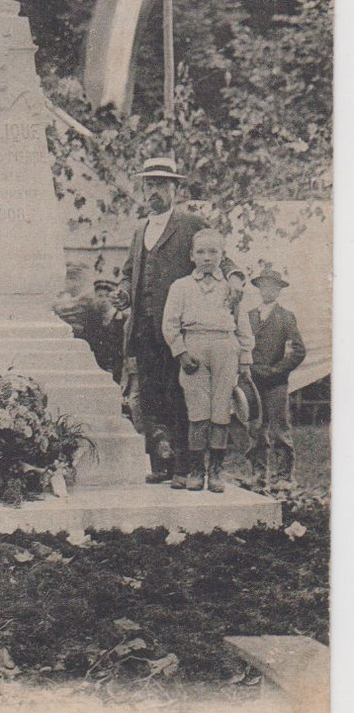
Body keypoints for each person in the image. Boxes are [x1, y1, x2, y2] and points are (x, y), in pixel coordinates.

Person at [117, 157, 243, 484]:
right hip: (144, 330)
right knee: (150, 397)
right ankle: (160, 465)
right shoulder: (140, 230)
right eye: (149, 185)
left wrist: (234, 278)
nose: (154, 192)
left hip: (180, 332)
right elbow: (130, 273)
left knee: (183, 398)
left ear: (175, 188)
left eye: (161, 185)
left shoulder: (189, 223)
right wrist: (122, 292)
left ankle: (185, 468)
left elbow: (218, 254)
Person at [162, 228, 254, 492]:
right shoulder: (181, 287)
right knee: (198, 411)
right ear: (192, 256)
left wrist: (245, 357)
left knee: (221, 411)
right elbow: (169, 324)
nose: (206, 257)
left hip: (225, 346)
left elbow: (242, 323)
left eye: (213, 252)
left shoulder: (231, 288)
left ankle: (216, 471)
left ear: (222, 255)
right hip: (194, 346)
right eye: (200, 252)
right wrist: (180, 351)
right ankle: (195, 470)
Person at [247, 264, 306, 489]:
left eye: (273, 287)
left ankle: (284, 476)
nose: (267, 291)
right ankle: (258, 473)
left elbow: (298, 351)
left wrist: (277, 370)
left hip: (276, 382)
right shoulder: (249, 317)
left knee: (279, 428)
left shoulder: (286, 317)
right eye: (264, 286)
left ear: (279, 290)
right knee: (255, 427)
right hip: (253, 380)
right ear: (259, 288)